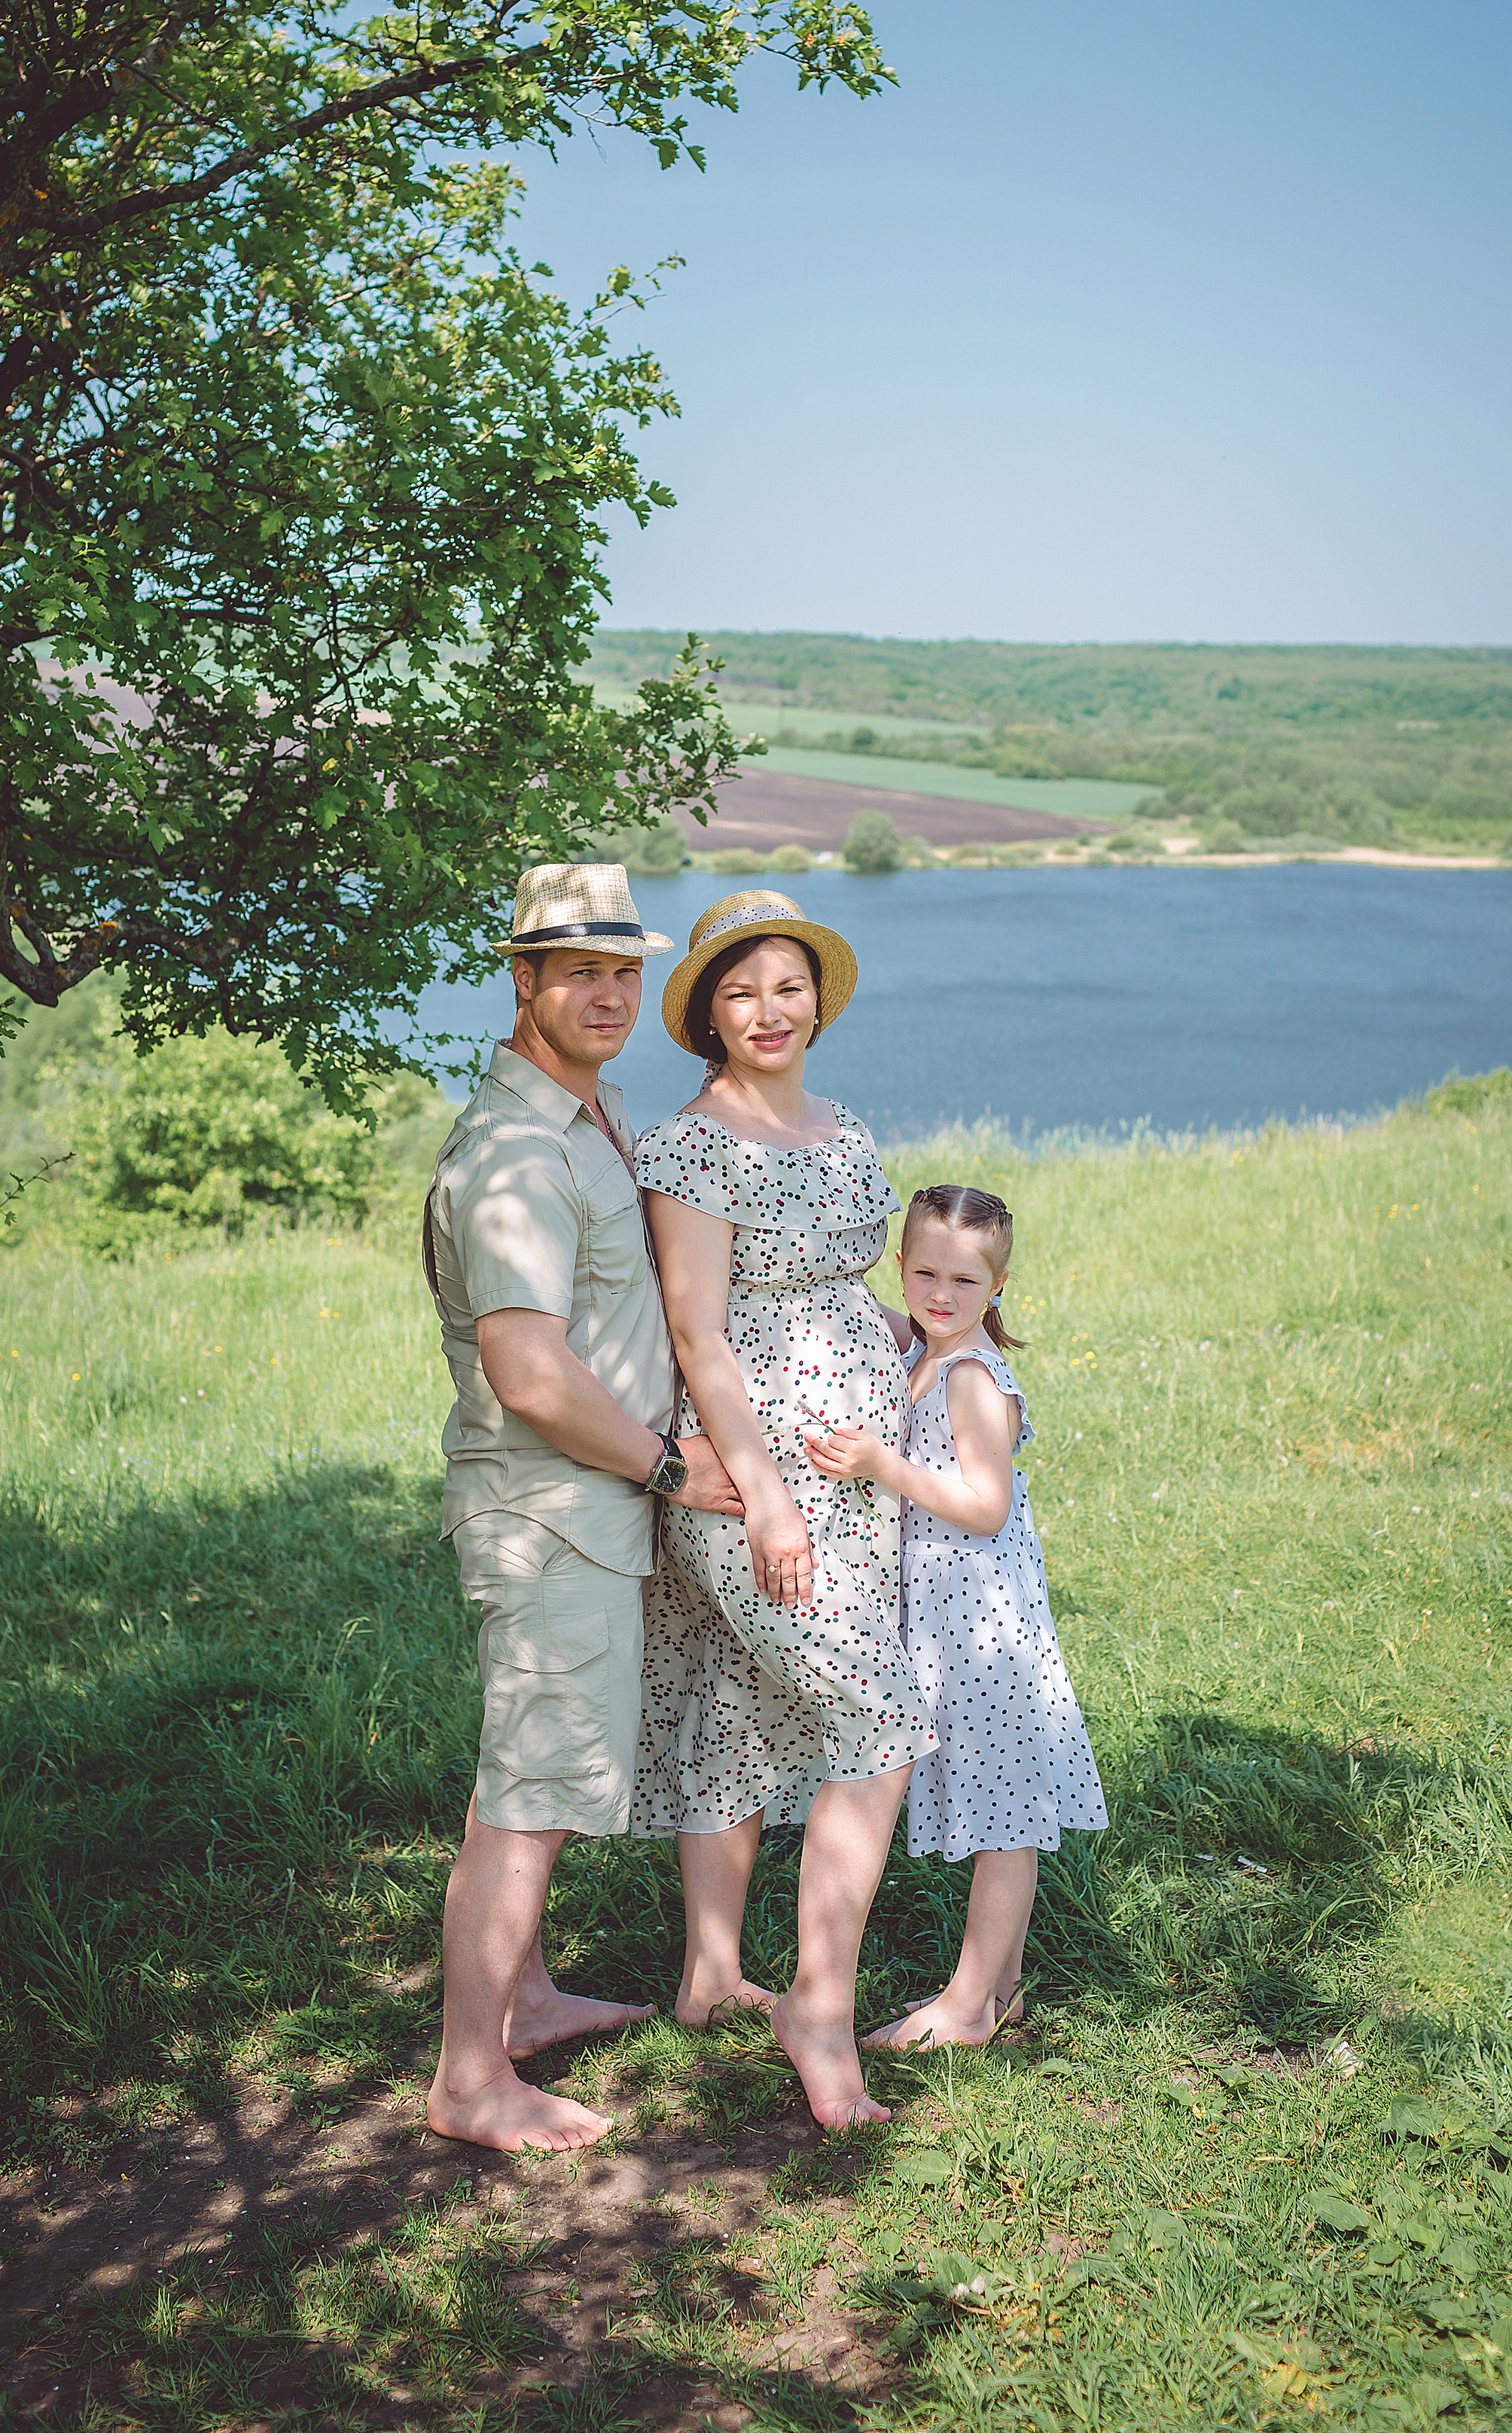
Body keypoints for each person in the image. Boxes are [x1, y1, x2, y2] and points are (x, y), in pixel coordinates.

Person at [421, 862, 744, 2154]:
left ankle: (531, 1998)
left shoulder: (583, 1113)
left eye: (626, 970)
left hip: (577, 1509)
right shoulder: (514, 1153)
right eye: (581, 973)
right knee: (530, 1794)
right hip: (553, 1513)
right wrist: (670, 1466)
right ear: (523, 981)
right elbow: (530, 1372)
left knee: (525, 1772)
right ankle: (469, 2080)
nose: (610, 994)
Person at [633, 889, 937, 2131]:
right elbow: (698, 1332)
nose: (770, 1009)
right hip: (752, 1470)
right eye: (742, 989)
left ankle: (712, 1975)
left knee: (740, 1693)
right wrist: (762, 1497)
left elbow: (851, 1282)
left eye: (789, 985)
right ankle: (820, 2001)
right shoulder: (689, 1149)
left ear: (818, 999)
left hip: (855, 1464)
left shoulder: (845, 1128)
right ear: (708, 1012)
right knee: (877, 1713)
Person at [803, 1183, 1108, 2050]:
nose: (941, 1294)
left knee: (1004, 1816)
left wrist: (879, 1464)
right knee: (997, 1801)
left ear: (998, 1286)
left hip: (985, 1622)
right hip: (947, 1617)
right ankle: (1000, 1988)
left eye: (965, 1282)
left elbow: (983, 1506)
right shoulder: (922, 1351)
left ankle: (969, 2005)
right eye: (925, 1272)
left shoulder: (971, 1376)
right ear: (900, 1267)